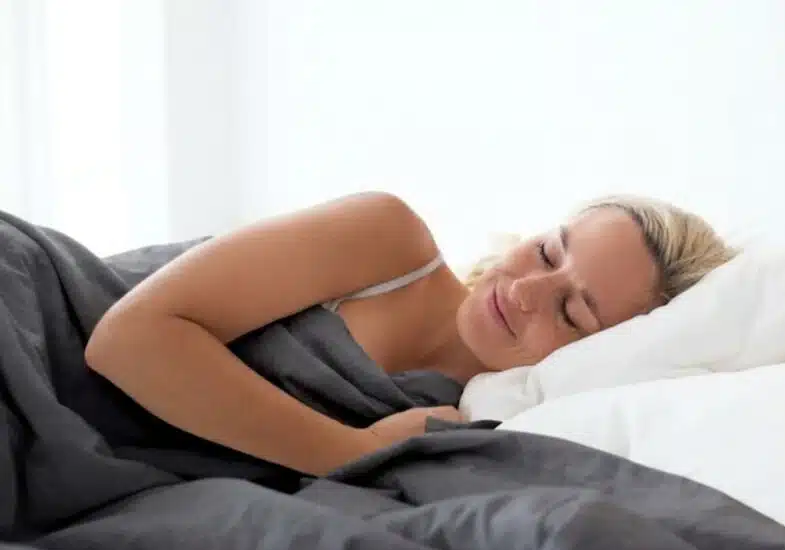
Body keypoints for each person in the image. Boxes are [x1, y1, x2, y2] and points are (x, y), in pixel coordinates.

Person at [85, 192, 734, 477]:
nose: (527, 289)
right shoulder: (391, 241)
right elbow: (128, 338)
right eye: (546, 250)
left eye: (573, 313)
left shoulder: (476, 425)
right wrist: (346, 449)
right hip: (44, 323)